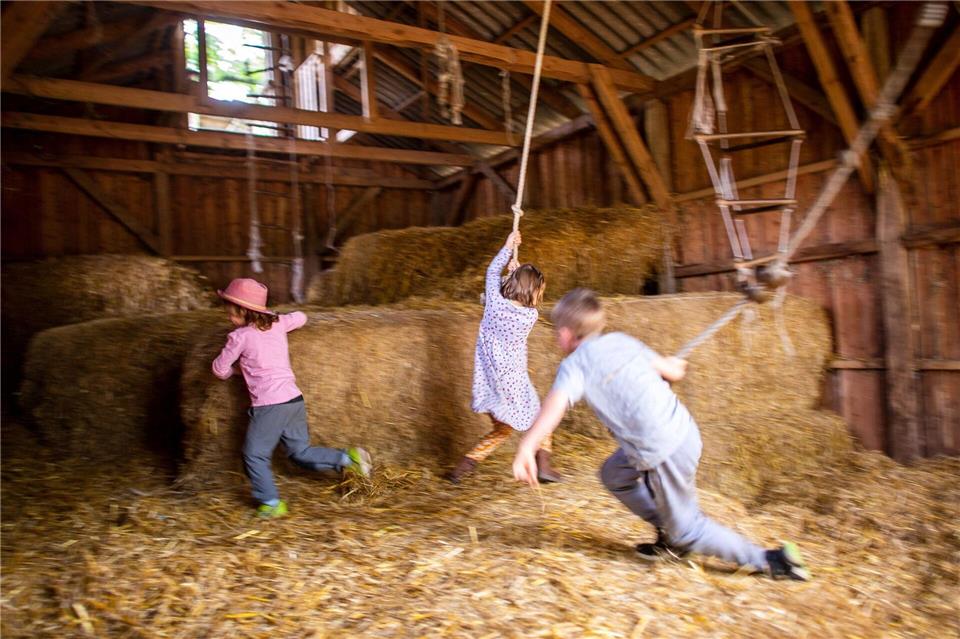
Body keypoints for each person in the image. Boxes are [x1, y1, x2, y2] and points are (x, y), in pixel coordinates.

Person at [512, 288, 809, 580]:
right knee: (614, 474)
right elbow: (671, 372)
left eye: (556, 333)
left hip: (662, 449)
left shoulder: (574, 365)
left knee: (688, 530)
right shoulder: (620, 340)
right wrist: (672, 366)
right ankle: (669, 529)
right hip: (681, 432)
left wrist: (527, 446)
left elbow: (555, 406)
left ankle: (773, 561)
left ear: (565, 334)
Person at [212, 278, 372, 518]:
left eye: (232, 313)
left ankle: (271, 503)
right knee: (300, 452)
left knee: (254, 455)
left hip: (269, 406)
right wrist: (274, 316)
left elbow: (218, 369)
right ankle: (347, 458)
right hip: (293, 400)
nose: (229, 318)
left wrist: (238, 370)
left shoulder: (239, 337)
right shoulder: (278, 323)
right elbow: (302, 317)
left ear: (244, 311)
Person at [446, 230, 561, 484]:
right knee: (543, 418)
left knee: (502, 429)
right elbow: (515, 296)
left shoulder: (494, 305)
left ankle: (462, 468)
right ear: (534, 293)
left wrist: (507, 249)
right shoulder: (529, 317)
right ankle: (544, 465)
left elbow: (491, 275)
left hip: (489, 383)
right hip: (514, 384)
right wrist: (514, 275)